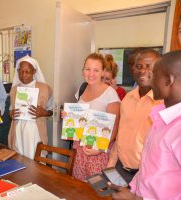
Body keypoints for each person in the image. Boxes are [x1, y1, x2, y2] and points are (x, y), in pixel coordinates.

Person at [110, 50, 181, 200]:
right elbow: (148, 167)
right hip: (127, 175)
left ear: (168, 80)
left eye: (154, 72)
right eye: (139, 66)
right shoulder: (161, 116)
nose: (148, 76)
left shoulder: (177, 129)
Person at [107, 49, 162, 183]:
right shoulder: (127, 99)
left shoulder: (164, 104)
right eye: (139, 66)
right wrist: (110, 166)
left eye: (150, 66)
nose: (143, 71)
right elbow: (121, 135)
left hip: (146, 176)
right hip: (120, 169)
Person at [71, 53, 120, 181]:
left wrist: (99, 149)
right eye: (88, 69)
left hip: (99, 151)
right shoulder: (82, 89)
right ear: (83, 70)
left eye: (96, 70)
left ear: (103, 72)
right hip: (80, 150)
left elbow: (115, 127)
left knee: (97, 190)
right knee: (79, 187)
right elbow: (79, 117)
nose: (91, 74)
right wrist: (68, 116)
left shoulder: (110, 94)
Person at [8, 55, 53, 159]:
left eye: (27, 71)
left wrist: (45, 113)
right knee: (19, 161)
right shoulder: (14, 89)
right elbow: (11, 110)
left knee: (35, 161)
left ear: (34, 71)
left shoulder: (45, 89)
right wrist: (11, 114)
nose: (23, 75)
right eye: (21, 71)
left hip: (35, 132)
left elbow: (53, 111)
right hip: (18, 131)